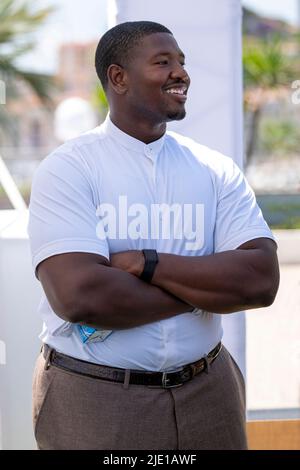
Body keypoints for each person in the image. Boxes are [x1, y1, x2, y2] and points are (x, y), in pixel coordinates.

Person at [28, 21, 279, 450]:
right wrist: (206, 291)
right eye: (163, 62)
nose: (180, 73)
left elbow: (260, 280)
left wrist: (149, 264)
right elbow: (81, 298)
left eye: (181, 62)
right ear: (118, 77)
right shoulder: (69, 169)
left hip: (209, 391)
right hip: (97, 396)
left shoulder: (215, 169)